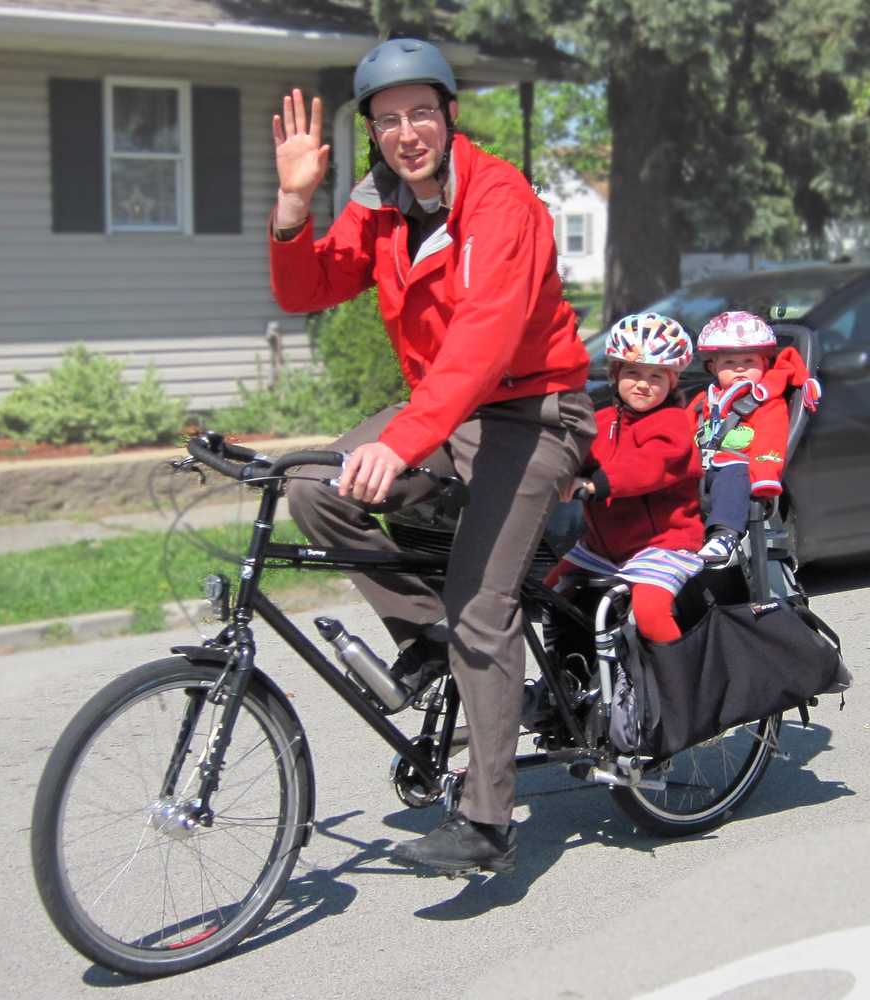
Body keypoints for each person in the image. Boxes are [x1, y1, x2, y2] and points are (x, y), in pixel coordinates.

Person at [268, 37, 596, 876]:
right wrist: (292, 206)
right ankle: (426, 640)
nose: (406, 131)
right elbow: (306, 288)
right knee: (313, 486)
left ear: (450, 115)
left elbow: (484, 342)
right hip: (442, 413)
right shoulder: (379, 205)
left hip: (532, 412)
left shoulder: (499, 201)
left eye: (421, 112)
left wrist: (401, 439)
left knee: (483, 604)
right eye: (387, 119)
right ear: (373, 133)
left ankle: (487, 823)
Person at [543, 313, 704, 643]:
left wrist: (593, 484)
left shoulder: (672, 426)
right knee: (547, 596)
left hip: (662, 545)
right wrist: (549, 472)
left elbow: (647, 467)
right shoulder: (602, 419)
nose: (643, 383)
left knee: (651, 613)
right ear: (615, 373)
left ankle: (679, 683)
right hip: (603, 547)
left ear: (672, 380)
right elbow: (575, 454)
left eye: (656, 375)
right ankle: (571, 677)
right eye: (633, 372)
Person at [688, 311, 821, 563]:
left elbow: (770, 441)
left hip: (738, 469)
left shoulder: (765, 403)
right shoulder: (704, 400)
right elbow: (680, 434)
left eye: (749, 361)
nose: (739, 368)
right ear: (711, 367)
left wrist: (765, 478)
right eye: (728, 363)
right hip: (698, 468)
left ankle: (724, 535)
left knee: (734, 474)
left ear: (765, 364)